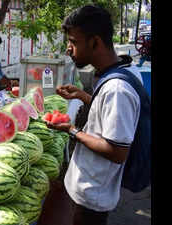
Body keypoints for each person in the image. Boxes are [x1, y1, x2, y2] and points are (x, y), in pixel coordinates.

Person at [45, 5, 146, 225]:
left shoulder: (117, 88)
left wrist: (71, 130)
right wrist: (83, 96)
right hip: (91, 187)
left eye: (73, 42)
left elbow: (117, 151)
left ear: (95, 42)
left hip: (92, 195)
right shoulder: (125, 70)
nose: (69, 49)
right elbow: (110, 114)